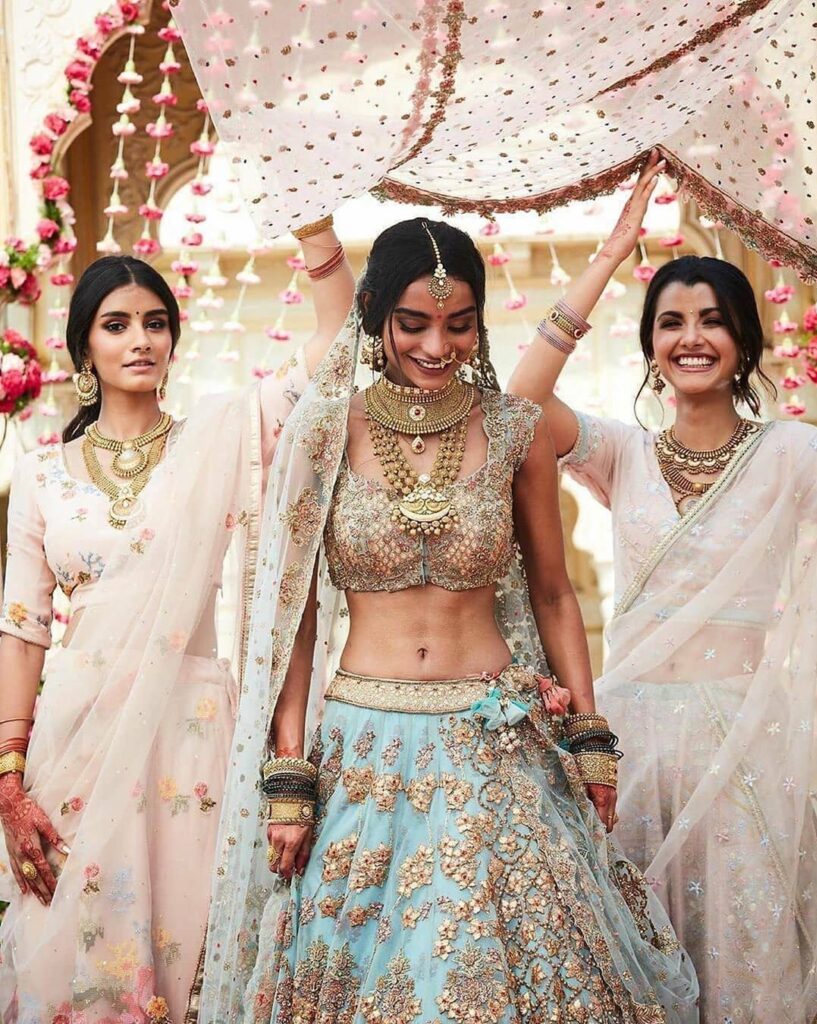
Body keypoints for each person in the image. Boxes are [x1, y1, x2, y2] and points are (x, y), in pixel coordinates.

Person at [198, 214, 700, 1023]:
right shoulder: (325, 429)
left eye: (459, 324)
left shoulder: (511, 429)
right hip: (365, 746)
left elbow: (552, 592)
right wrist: (289, 773)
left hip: (495, 739)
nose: (438, 344)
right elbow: (294, 611)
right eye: (414, 324)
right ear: (373, 317)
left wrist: (591, 736)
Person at [0, 220, 354, 1022]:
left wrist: (309, 221)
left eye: (156, 323)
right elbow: (21, 631)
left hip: (193, 737)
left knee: (195, 956)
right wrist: (10, 780)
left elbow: (336, 336)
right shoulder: (42, 476)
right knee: (75, 959)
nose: (141, 340)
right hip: (75, 735)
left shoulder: (221, 441)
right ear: (82, 346)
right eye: (116, 324)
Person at [508, 154, 817, 1022]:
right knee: (635, 959)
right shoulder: (622, 454)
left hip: (748, 748)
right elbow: (517, 404)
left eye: (713, 321)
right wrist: (609, 258)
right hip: (631, 748)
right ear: (649, 344)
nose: (690, 336)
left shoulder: (793, 455)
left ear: (745, 343)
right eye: (670, 321)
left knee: (746, 961)